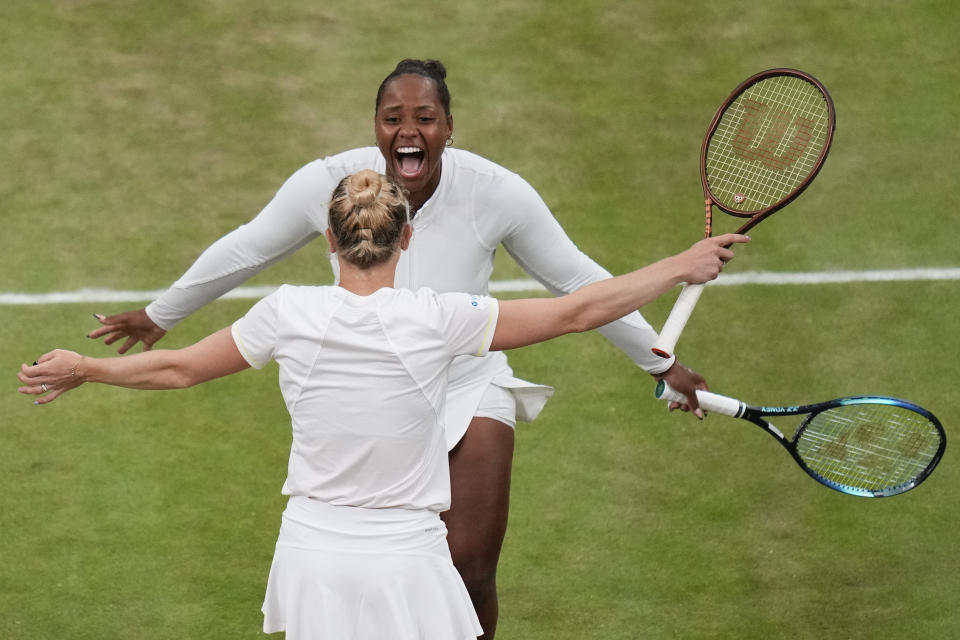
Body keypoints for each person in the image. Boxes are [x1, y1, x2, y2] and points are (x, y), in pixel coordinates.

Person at [86, 59, 714, 638]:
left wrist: (659, 360)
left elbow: (578, 283)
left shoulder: (498, 193)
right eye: (394, 119)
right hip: (374, 385)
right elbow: (249, 247)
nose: (408, 131)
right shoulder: (330, 185)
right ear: (377, 126)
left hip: (467, 378)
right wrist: (160, 313)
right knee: (375, 560)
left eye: (424, 118)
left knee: (467, 563)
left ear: (448, 127)